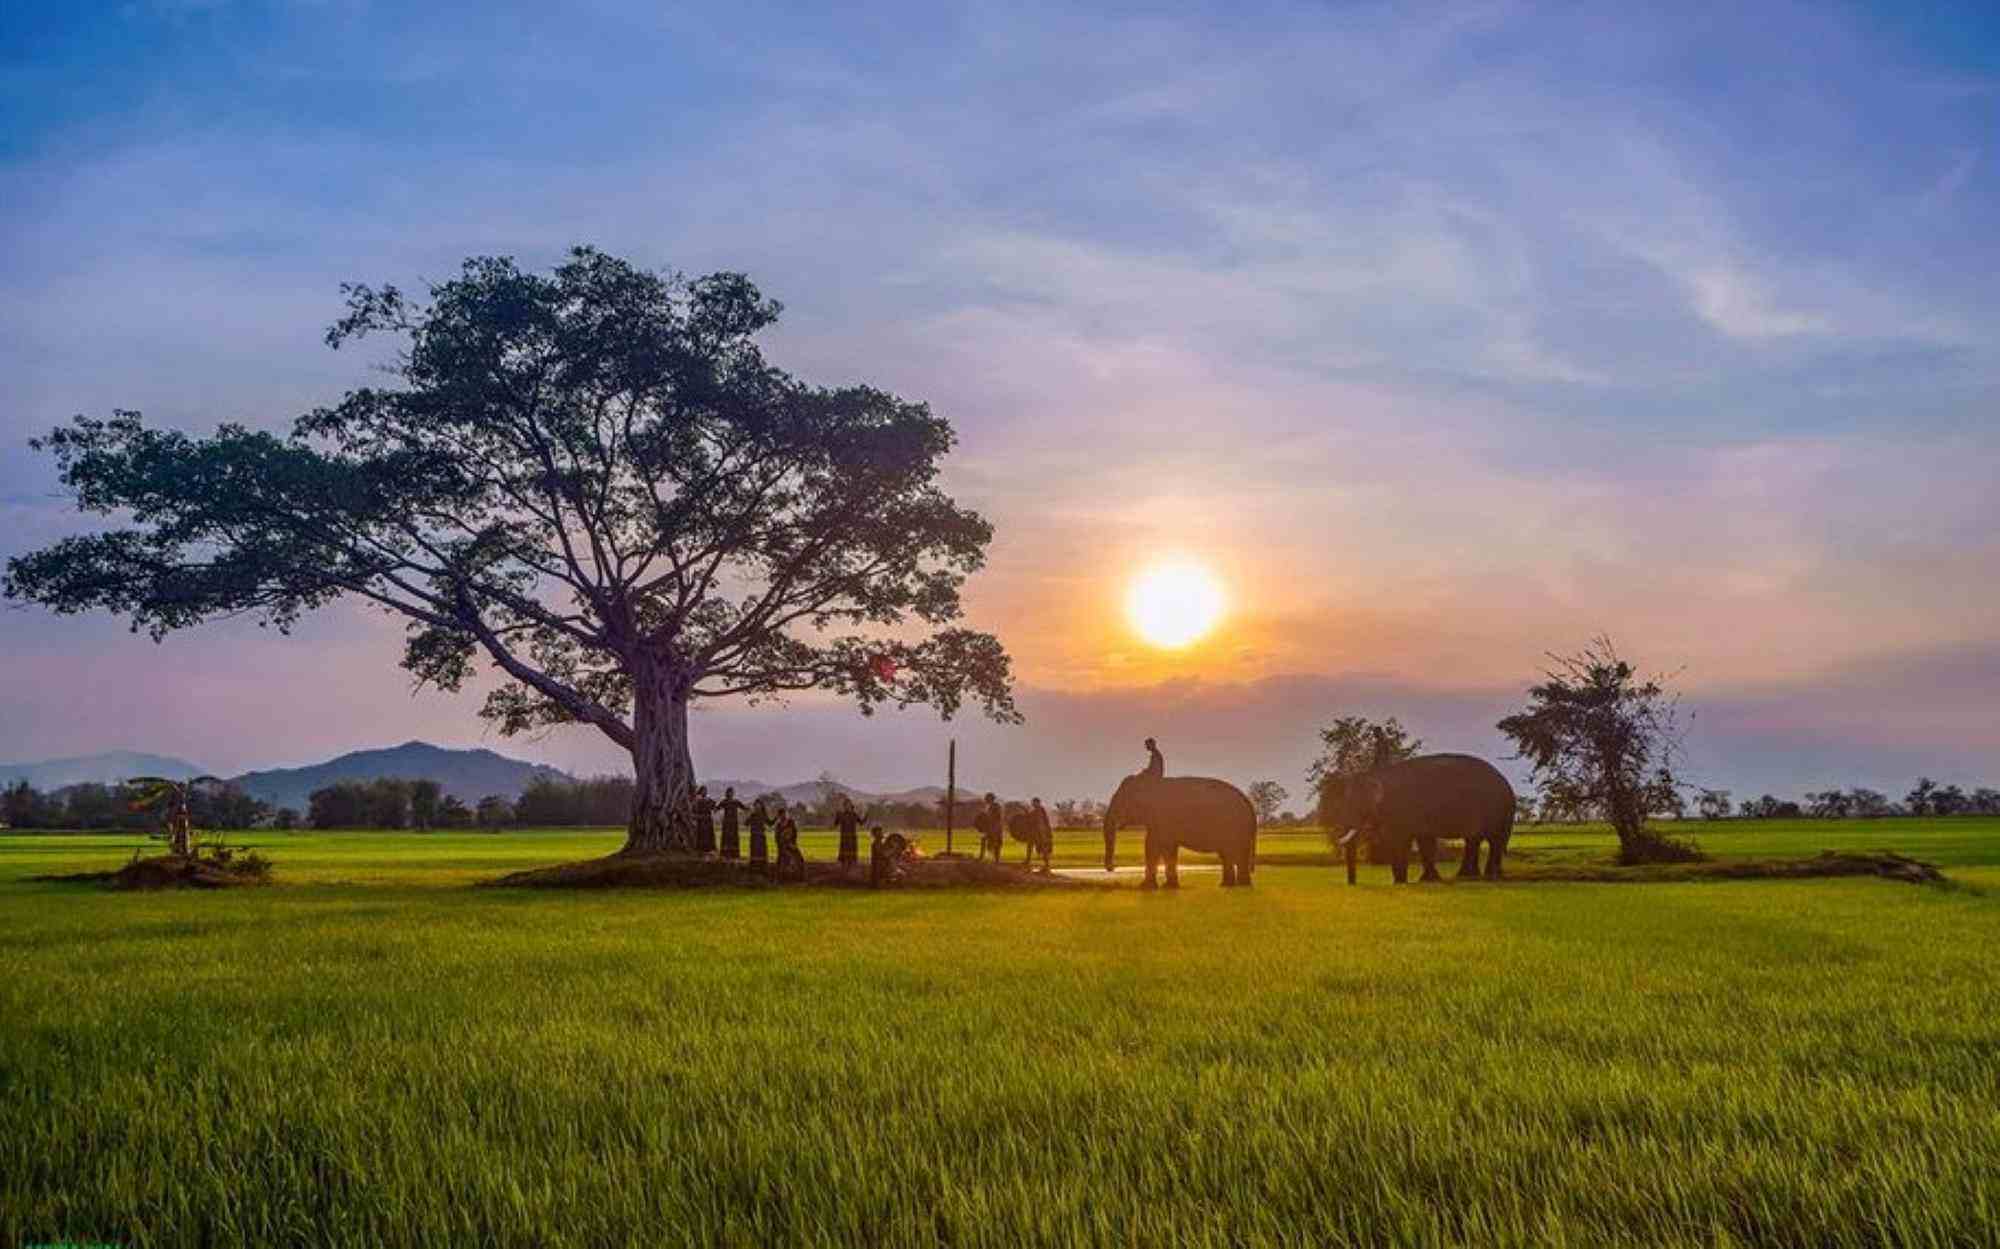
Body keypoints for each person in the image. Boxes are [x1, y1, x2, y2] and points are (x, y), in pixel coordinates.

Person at [834, 795, 865, 868]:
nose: (847, 806)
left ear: (851, 806)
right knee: (844, 851)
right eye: (846, 805)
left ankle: (851, 865)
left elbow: (861, 823)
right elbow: (835, 824)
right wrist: (836, 816)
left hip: (852, 836)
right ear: (844, 806)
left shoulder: (854, 815)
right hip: (844, 836)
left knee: (852, 850)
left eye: (848, 805)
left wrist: (866, 816)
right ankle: (844, 865)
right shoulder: (841, 815)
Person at [774, 809, 805, 880]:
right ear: (779, 816)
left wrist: (793, 843)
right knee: (780, 861)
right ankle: (779, 878)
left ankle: (801, 876)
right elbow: (777, 838)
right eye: (781, 815)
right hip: (783, 846)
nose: (783, 816)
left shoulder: (791, 822)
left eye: (784, 814)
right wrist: (782, 845)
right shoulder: (778, 825)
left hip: (791, 844)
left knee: (800, 858)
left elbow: (794, 833)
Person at [975, 792, 1004, 863]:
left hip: (995, 828)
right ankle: (985, 857)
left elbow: (997, 818)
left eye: (987, 799)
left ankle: (996, 859)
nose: (986, 801)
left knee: (995, 843)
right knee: (987, 841)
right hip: (992, 828)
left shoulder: (995, 806)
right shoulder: (990, 807)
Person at [717, 787, 744, 860]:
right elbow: (717, 808)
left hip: (734, 823)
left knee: (734, 837)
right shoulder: (724, 802)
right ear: (727, 793)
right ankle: (725, 854)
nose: (731, 793)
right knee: (726, 838)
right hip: (726, 823)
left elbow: (743, 807)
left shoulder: (736, 801)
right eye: (729, 792)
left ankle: (734, 854)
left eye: (732, 792)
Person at [1030, 796, 1054, 871]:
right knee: (1039, 848)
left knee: (1044, 849)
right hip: (1038, 833)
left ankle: (1047, 865)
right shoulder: (1036, 811)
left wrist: (1047, 832)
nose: (1033, 804)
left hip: (1042, 834)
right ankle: (1046, 865)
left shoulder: (1040, 811)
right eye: (1033, 803)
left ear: (1037, 803)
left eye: (1034, 802)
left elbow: (1044, 822)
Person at [692, 786, 717, 855]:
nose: (705, 792)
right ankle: (701, 850)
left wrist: (714, 808)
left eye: (705, 790)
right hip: (701, 819)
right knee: (701, 835)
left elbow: (714, 806)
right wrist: (696, 816)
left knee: (709, 834)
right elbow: (693, 810)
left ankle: (709, 849)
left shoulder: (708, 799)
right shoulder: (697, 800)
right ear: (701, 791)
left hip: (708, 819)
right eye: (704, 790)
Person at [747, 797, 770, 866]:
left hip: (761, 836)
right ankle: (754, 865)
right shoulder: (752, 815)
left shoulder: (764, 815)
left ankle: (762, 865)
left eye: (758, 805)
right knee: (754, 851)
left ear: (761, 806)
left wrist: (776, 818)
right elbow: (746, 823)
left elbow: (770, 823)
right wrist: (749, 817)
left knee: (761, 851)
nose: (757, 806)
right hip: (754, 836)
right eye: (756, 805)